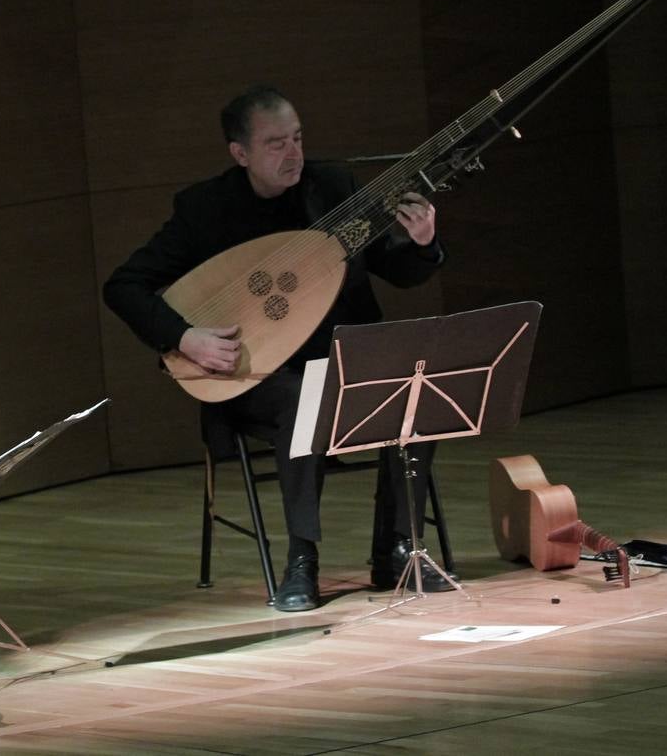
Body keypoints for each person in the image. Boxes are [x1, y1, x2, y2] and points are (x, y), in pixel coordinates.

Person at [103, 85, 450, 611]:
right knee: (301, 400)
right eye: (275, 144)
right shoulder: (205, 210)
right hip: (259, 376)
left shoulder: (332, 189)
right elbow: (124, 286)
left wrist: (421, 243)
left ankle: (398, 550)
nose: (293, 153)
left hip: (344, 363)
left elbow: (393, 269)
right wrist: (184, 337)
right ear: (239, 154)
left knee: (417, 391)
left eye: (297, 138)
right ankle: (302, 560)